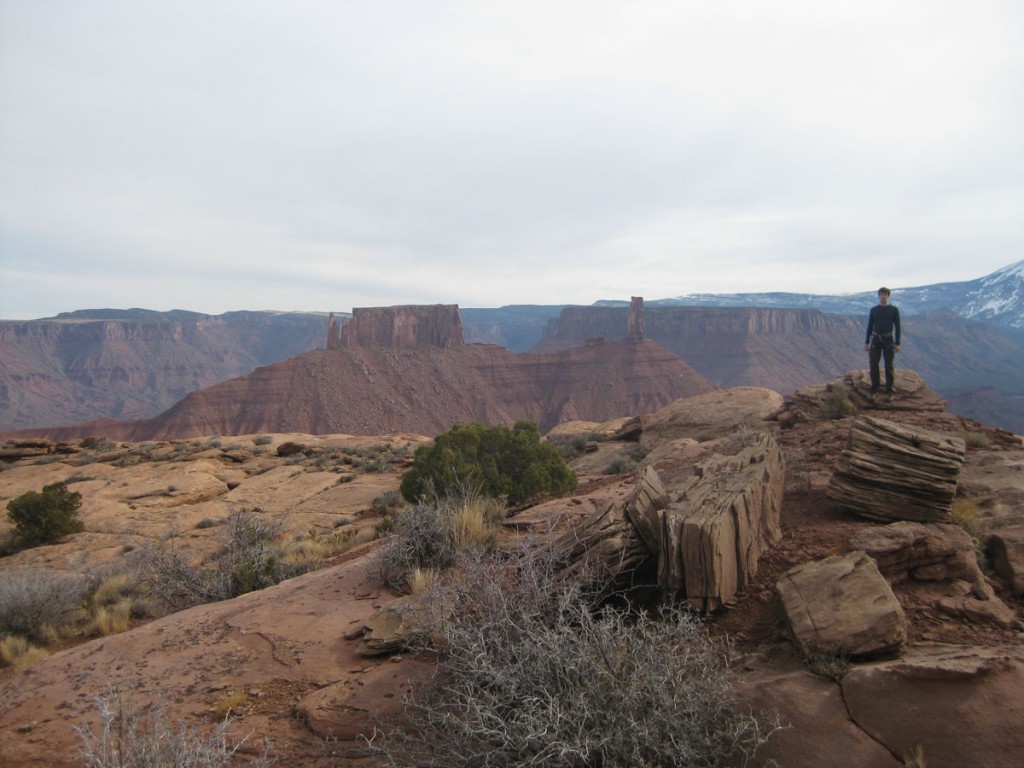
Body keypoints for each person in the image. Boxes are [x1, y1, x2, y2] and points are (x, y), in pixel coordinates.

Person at [864, 287, 901, 402]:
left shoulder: (894, 310)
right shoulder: (874, 310)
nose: (883, 296)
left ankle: (890, 391)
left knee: (888, 365)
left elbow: (898, 327)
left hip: (888, 339)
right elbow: (869, 326)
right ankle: (875, 390)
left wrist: (897, 343)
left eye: (885, 294)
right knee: (874, 364)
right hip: (875, 339)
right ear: (878, 296)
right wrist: (867, 341)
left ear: (888, 296)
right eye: (881, 294)